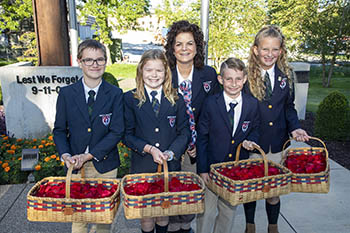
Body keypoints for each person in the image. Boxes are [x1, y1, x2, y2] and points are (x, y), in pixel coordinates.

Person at [243, 25, 310, 233]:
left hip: (278, 143)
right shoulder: (245, 77)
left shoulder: (286, 75)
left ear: (280, 51)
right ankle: (250, 226)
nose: (269, 54)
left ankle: (273, 227)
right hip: (253, 144)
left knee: (273, 190)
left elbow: (288, 107)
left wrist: (295, 128)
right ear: (256, 50)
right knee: (252, 190)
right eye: (265, 49)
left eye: (274, 49)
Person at [53, 39, 124, 233]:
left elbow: (117, 130)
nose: (95, 64)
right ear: (79, 62)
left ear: (105, 62)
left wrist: (90, 155)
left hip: (105, 164)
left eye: (100, 60)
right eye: (89, 60)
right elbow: (59, 130)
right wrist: (65, 154)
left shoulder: (115, 94)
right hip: (75, 164)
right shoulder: (67, 94)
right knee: (79, 216)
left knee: (103, 217)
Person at [123, 49, 191, 233]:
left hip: (169, 166)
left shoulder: (176, 99)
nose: (154, 75)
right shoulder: (130, 98)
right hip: (143, 166)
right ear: (141, 72)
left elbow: (184, 132)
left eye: (159, 70)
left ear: (166, 73)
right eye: (149, 70)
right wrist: (148, 148)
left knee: (163, 212)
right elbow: (127, 135)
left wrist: (171, 152)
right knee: (147, 216)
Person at [164, 19, 221, 233]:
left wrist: (201, 141)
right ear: (172, 47)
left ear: (197, 47)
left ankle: (185, 226)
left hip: (196, 148)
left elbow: (214, 113)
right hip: (169, 144)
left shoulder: (208, 74)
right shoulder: (163, 74)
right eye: (179, 44)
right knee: (170, 189)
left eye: (189, 43)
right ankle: (171, 227)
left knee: (190, 190)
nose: (184, 48)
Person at [196, 57, 260, 233]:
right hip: (212, 168)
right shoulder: (210, 103)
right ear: (220, 79)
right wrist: (202, 169)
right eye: (229, 79)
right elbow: (202, 138)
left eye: (238, 79)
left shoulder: (252, 104)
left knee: (228, 212)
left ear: (245, 79)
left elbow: (255, 129)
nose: (233, 83)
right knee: (206, 212)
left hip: (235, 171)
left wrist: (251, 141)